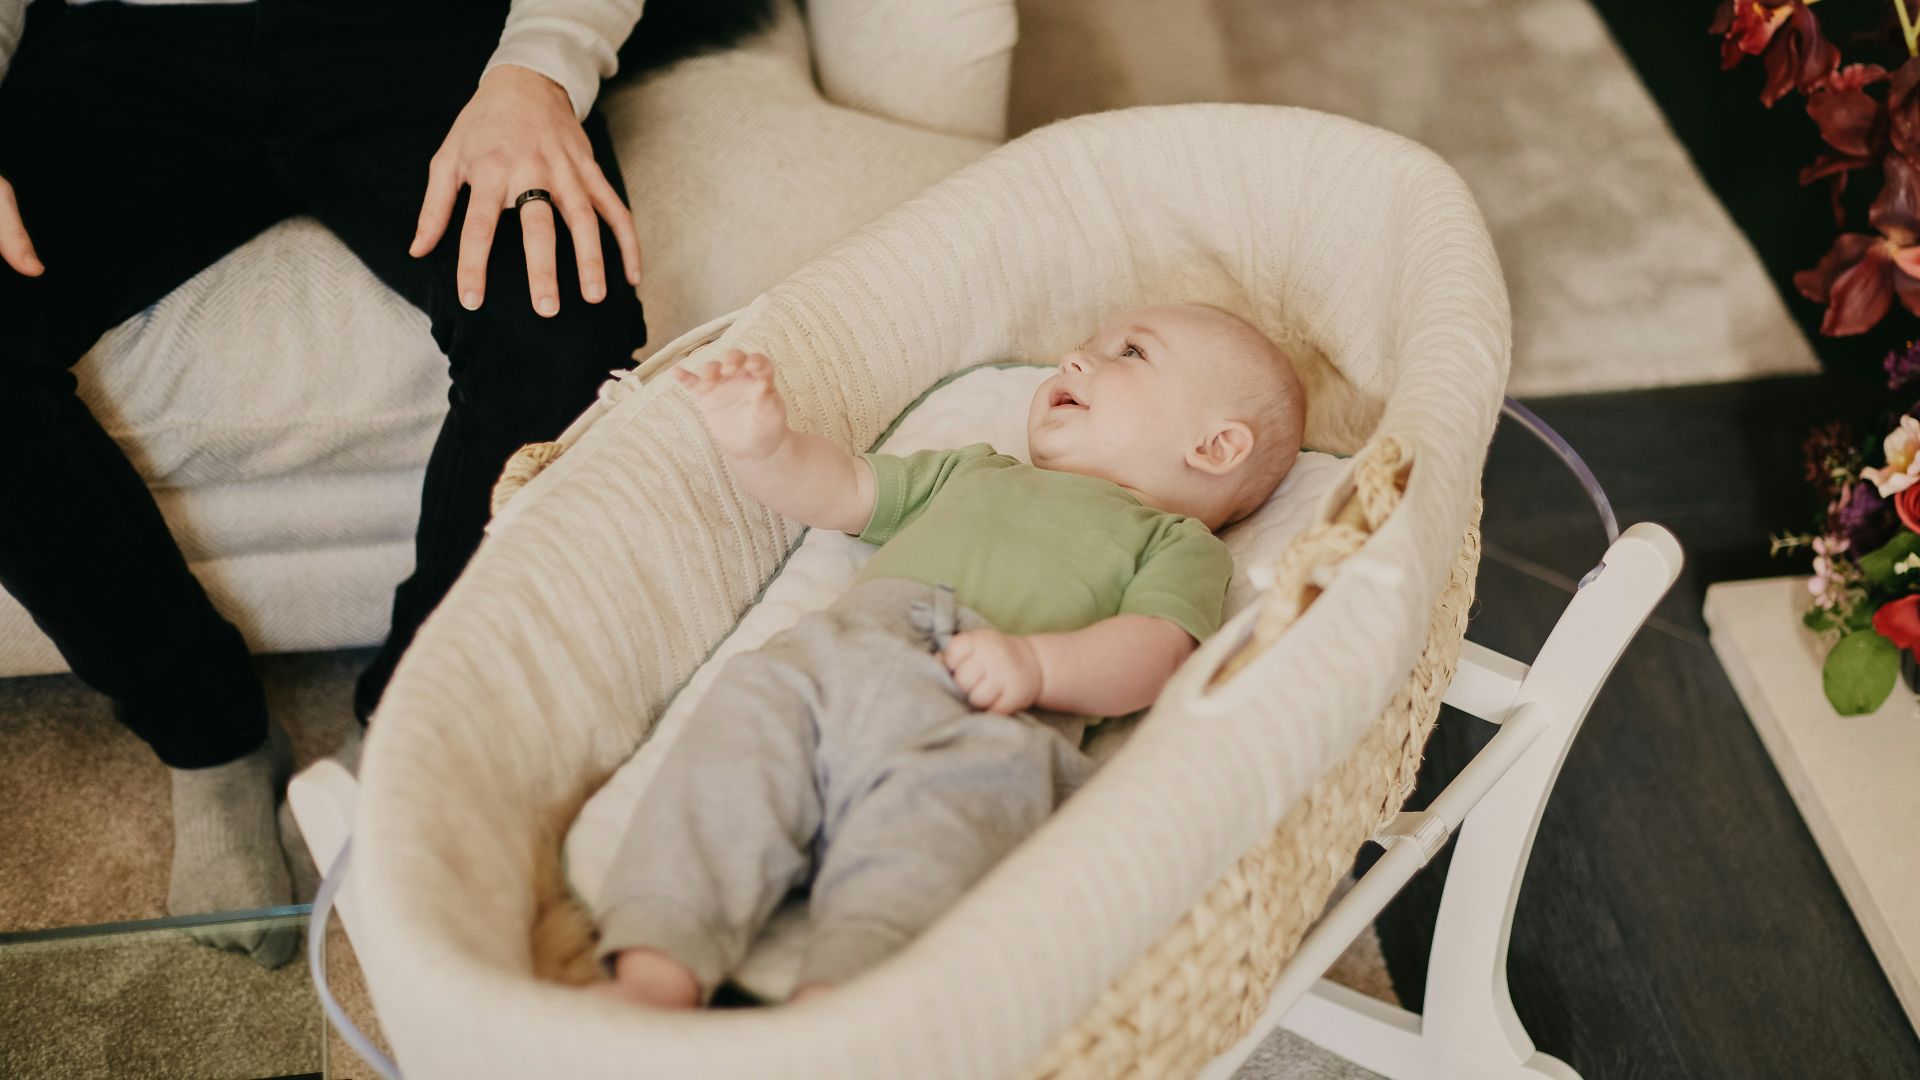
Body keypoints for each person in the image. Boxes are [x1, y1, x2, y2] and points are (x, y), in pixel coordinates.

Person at [0, 0, 765, 964]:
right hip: (121, 40)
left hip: (424, 32)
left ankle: (410, 727)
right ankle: (207, 737)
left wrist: (538, 69)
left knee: (565, 329)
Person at [591, 303, 1307, 1008]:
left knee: (935, 840)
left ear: (1214, 448)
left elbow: (1155, 653)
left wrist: (1039, 667)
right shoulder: (975, 471)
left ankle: (840, 1005)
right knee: (743, 729)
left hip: (986, 719)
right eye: (1088, 343)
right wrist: (764, 447)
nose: (1076, 357)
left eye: (1131, 353)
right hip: (839, 659)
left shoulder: (1178, 544)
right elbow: (843, 489)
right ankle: (660, 961)